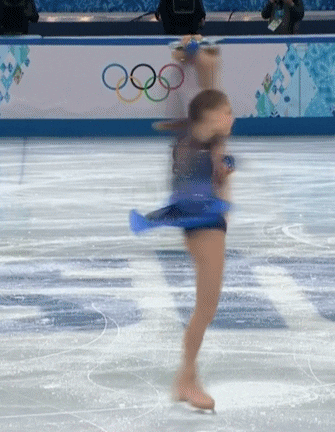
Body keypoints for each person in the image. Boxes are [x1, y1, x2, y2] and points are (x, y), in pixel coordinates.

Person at [130, 89, 235, 411]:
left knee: (207, 308)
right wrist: (217, 173)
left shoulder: (208, 143)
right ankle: (187, 379)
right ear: (211, 115)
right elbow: (188, 195)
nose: (232, 117)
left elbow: (217, 187)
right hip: (202, 226)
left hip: (211, 223)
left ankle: (187, 379)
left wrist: (222, 174)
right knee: (205, 308)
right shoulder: (190, 147)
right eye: (227, 111)